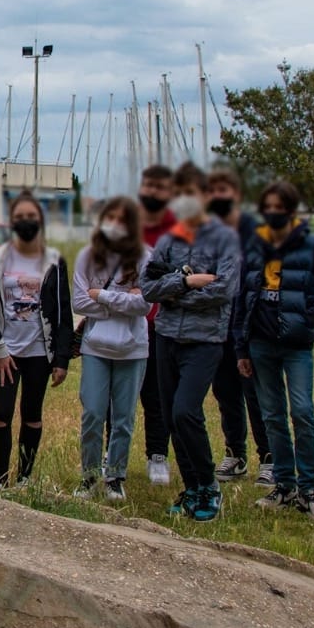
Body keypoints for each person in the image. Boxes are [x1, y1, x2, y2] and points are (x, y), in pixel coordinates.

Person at [140, 165, 242, 522]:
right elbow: (149, 287)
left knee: (186, 411)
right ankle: (192, 488)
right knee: (171, 417)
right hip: (167, 338)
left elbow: (224, 290)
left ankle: (210, 486)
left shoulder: (225, 240)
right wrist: (185, 283)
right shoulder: (169, 240)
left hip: (205, 340)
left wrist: (175, 292)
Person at [238, 180, 314, 520]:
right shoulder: (254, 246)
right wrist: (241, 348)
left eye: (279, 208)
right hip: (260, 343)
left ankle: (309, 487)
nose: (273, 214)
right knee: (271, 414)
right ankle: (283, 484)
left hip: (296, 346)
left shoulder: (311, 245)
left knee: (301, 411)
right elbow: (243, 299)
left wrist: (308, 319)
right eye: (267, 207)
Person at [0, 192, 74, 490]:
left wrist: (61, 360)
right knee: (1, 414)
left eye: (32, 217)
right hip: (5, 352)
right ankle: (0, 480)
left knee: (32, 415)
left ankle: (25, 478)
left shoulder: (54, 261)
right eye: (20, 217)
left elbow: (63, 312)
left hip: (38, 352)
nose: (26, 222)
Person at [71, 195, 150, 499]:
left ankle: (115, 476)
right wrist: (122, 302)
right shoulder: (87, 256)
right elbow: (79, 301)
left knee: (124, 418)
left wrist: (101, 297)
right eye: (110, 218)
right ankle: (90, 476)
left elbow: (143, 304)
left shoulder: (146, 257)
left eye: (122, 219)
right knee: (92, 413)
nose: (115, 224)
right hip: (95, 347)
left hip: (133, 349)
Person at [207, 168, 271, 487]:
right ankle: (235, 453)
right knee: (225, 393)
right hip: (217, 328)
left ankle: (269, 457)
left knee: (256, 394)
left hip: (248, 328)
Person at [135, 165, 178, 486]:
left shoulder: (178, 231)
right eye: (149, 186)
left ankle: (157, 457)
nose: (153, 193)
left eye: (160, 188)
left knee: (156, 396)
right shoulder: (125, 225)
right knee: (116, 398)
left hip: (160, 325)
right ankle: (112, 455)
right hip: (125, 324)